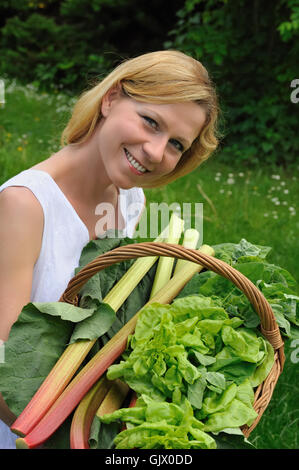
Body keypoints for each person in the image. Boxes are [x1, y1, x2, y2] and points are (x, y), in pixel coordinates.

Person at [0, 49, 219, 448]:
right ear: (111, 98)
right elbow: (2, 373)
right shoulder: (25, 205)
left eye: (176, 144)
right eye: (150, 122)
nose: (155, 151)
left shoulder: (130, 202)